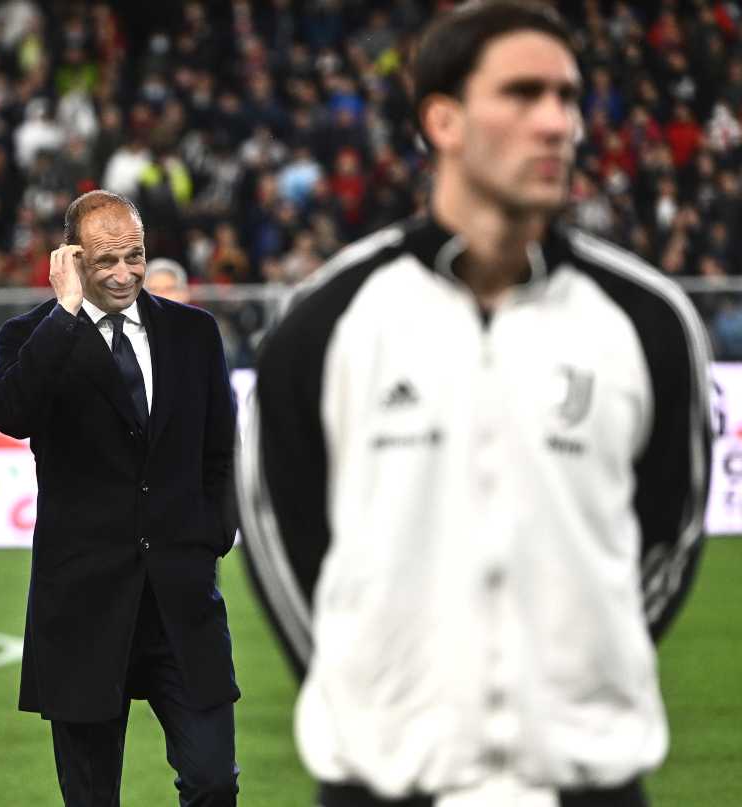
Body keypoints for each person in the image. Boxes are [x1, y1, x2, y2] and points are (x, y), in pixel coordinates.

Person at [238, 3, 711, 806]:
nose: (557, 123)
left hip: (588, 781)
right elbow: (282, 533)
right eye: (523, 94)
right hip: (384, 781)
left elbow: (668, 533)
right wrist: (380, 699)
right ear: (443, 121)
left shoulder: (647, 321)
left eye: (567, 97)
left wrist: (576, 689)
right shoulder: (328, 320)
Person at [0, 190, 240, 806]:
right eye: (106, 261)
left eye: (135, 256)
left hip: (182, 603)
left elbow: (220, 450)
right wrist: (66, 312)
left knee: (212, 781)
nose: (125, 274)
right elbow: (10, 414)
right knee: (91, 797)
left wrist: (209, 539)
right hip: (83, 609)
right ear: (72, 258)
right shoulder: (33, 335)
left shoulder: (194, 333)